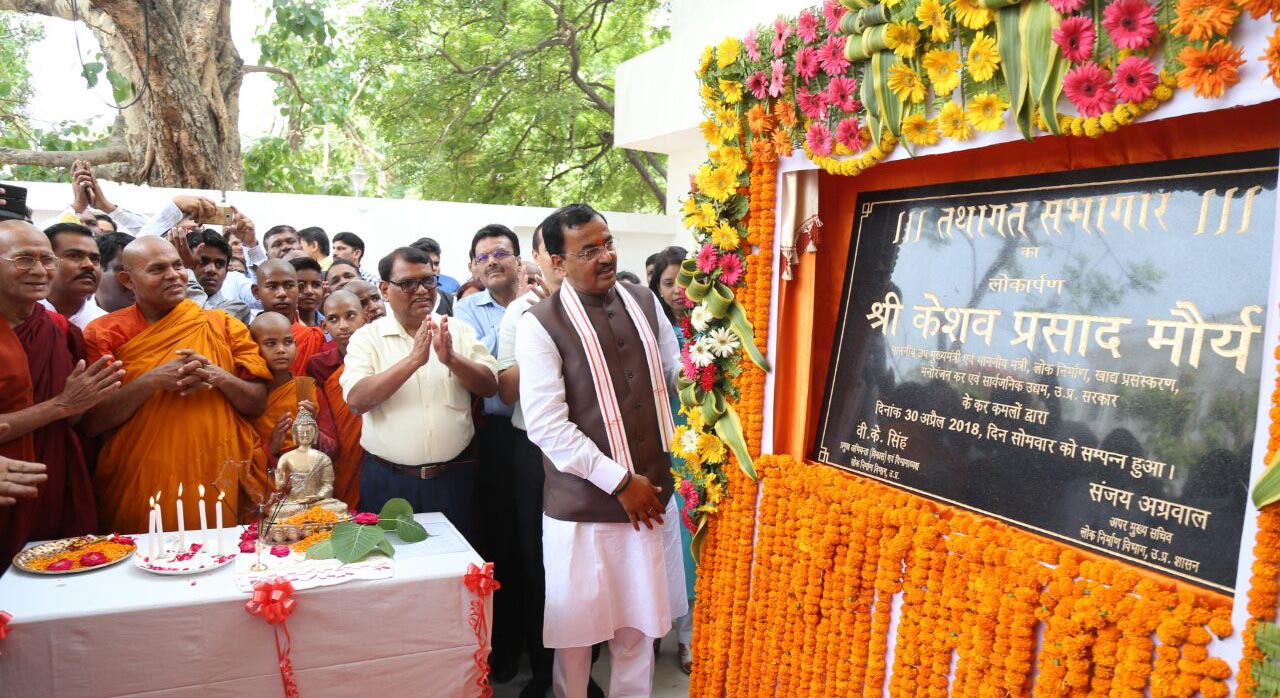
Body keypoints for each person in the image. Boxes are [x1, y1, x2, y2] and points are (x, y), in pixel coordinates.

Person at [515, 204, 686, 698]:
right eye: (588, 250)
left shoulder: (644, 301)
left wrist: (713, 362)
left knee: (640, 633)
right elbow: (548, 427)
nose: (605, 256)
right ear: (557, 261)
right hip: (585, 509)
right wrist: (619, 481)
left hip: (650, 498)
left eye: (607, 242)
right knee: (577, 639)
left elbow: (674, 376)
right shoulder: (540, 323)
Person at [82, 237, 272, 534]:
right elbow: (92, 422)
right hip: (141, 479)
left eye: (178, 265)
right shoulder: (105, 332)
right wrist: (151, 380)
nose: (173, 275)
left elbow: (257, 403)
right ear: (127, 280)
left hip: (216, 472)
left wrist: (217, 375)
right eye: (157, 269)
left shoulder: (222, 324)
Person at [340, 247, 497, 542]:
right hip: (389, 481)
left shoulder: (457, 331)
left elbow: (489, 385)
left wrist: (452, 359)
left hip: (453, 479)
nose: (422, 290)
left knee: (454, 567)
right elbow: (357, 400)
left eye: (428, 281)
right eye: (408, 284)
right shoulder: (367, 338)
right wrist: (413, 360)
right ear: (385, 289)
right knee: (394, 570)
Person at [0, 220, 124, 569]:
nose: (40, 270)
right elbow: (63, 408)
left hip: (54, 480)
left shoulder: (59, 331)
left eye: (46, 260)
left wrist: (81, 403)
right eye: (24, 260)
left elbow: (74, 419)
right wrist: (60, 406)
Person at [454, 223, 526, 682]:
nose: (493, 261)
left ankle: (553, 652)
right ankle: (504, 647)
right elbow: (490, 374)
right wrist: (519, 318)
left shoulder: (546, 299)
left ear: (520, 260)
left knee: (542, 546)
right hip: (496, 437)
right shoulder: (466, 309)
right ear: (472, 268)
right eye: (484, 257)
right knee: (502, 542)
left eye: (502, 252)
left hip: (545, 436)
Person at [496, 224, 558, 697]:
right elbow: (508, 391)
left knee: (581, 561)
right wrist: (540, 324)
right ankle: (542, 674)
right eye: (550, 252)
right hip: (533, 453)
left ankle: (580, 672)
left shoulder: (600, 304)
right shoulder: (519, 312)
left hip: (587, 453)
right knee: (537, 563)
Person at [647, 245, 696, 674]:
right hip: (664, 447)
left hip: (705, 448)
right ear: (656, 288)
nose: (679, 290)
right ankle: (648, 633)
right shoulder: (650, 330)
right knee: (666, 547)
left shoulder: (715, 325)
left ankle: (688, 638)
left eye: (685, 279)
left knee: (692, 548)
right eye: (668, 282)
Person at [246, 312, 335, 503]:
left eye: (288, 342)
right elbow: (242, 458)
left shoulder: (307, 389)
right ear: (254, 348)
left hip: (309, 488)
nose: (281, 350)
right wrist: (272, 447)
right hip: (266, 491)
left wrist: (314, 431)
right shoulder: (248, 397)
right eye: (270, 344)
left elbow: (333, 448)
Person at [307, 290, 367, 509]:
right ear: (324, 327)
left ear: (365, 318)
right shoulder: (318, 365)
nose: (343, 326)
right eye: (333, 319)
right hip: (342, 450)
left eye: (350, 316)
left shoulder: (379, 356)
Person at [252, 259, 329, 376]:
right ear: (256, 292)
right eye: (272, 286)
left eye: (288, 286)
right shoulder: (245, 336)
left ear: (300, 289)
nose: (282, 293)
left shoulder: (314, 338)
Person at [40, 223, 108, 329]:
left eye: (94, 259)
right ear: (46, 261)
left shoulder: (106, 326)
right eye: (74, 256)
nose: (89, 265)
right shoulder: (21, 316)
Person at [179, 229, 252, 324]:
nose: (212, 270)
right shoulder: (167, 303)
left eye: (219, 264)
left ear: (226, 272)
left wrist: (187, 271)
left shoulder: (238, 308)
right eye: (202, 262)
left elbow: (202, 325)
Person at [95, 232, 137, 313]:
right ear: (96, 271)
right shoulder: (77, 322)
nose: (137, 280)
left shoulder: (161, 315)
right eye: (124, 270)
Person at [291, 257, 326, 327]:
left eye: (316, 285)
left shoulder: (331, 327)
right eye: (301, 285)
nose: (309, 291)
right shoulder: (278, 328)